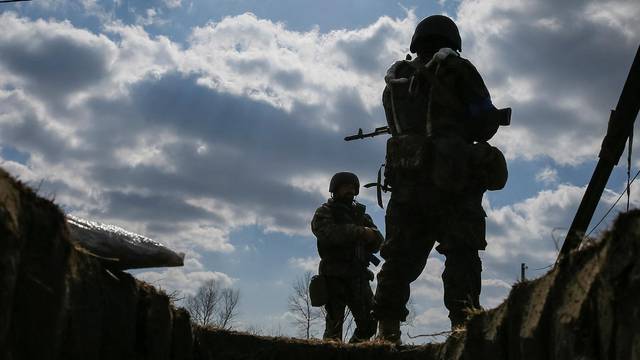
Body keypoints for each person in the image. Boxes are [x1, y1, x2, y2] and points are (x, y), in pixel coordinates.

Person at [373, 15, 508, 343]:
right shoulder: (457, 68)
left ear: (416, 42)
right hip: (454, 183)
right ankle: (463, 333)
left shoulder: (396, 82)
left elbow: (397, 126)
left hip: (407, 187)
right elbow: (483, 121)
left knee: (399, 258)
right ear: (452, 40)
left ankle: (386, 332)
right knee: (462, 254)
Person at [311, 172, 384, 342]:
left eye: (353, 187)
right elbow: (329, 233)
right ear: (335, 190)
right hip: (334, 275)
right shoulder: (325, 212)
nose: (350, 190)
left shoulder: (362, 216)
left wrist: (370, 236)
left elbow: (378, 242)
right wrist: (361, 232)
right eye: (345, 187)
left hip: (358, 275)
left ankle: (353, 352)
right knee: (334, 328)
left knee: (369, 325)